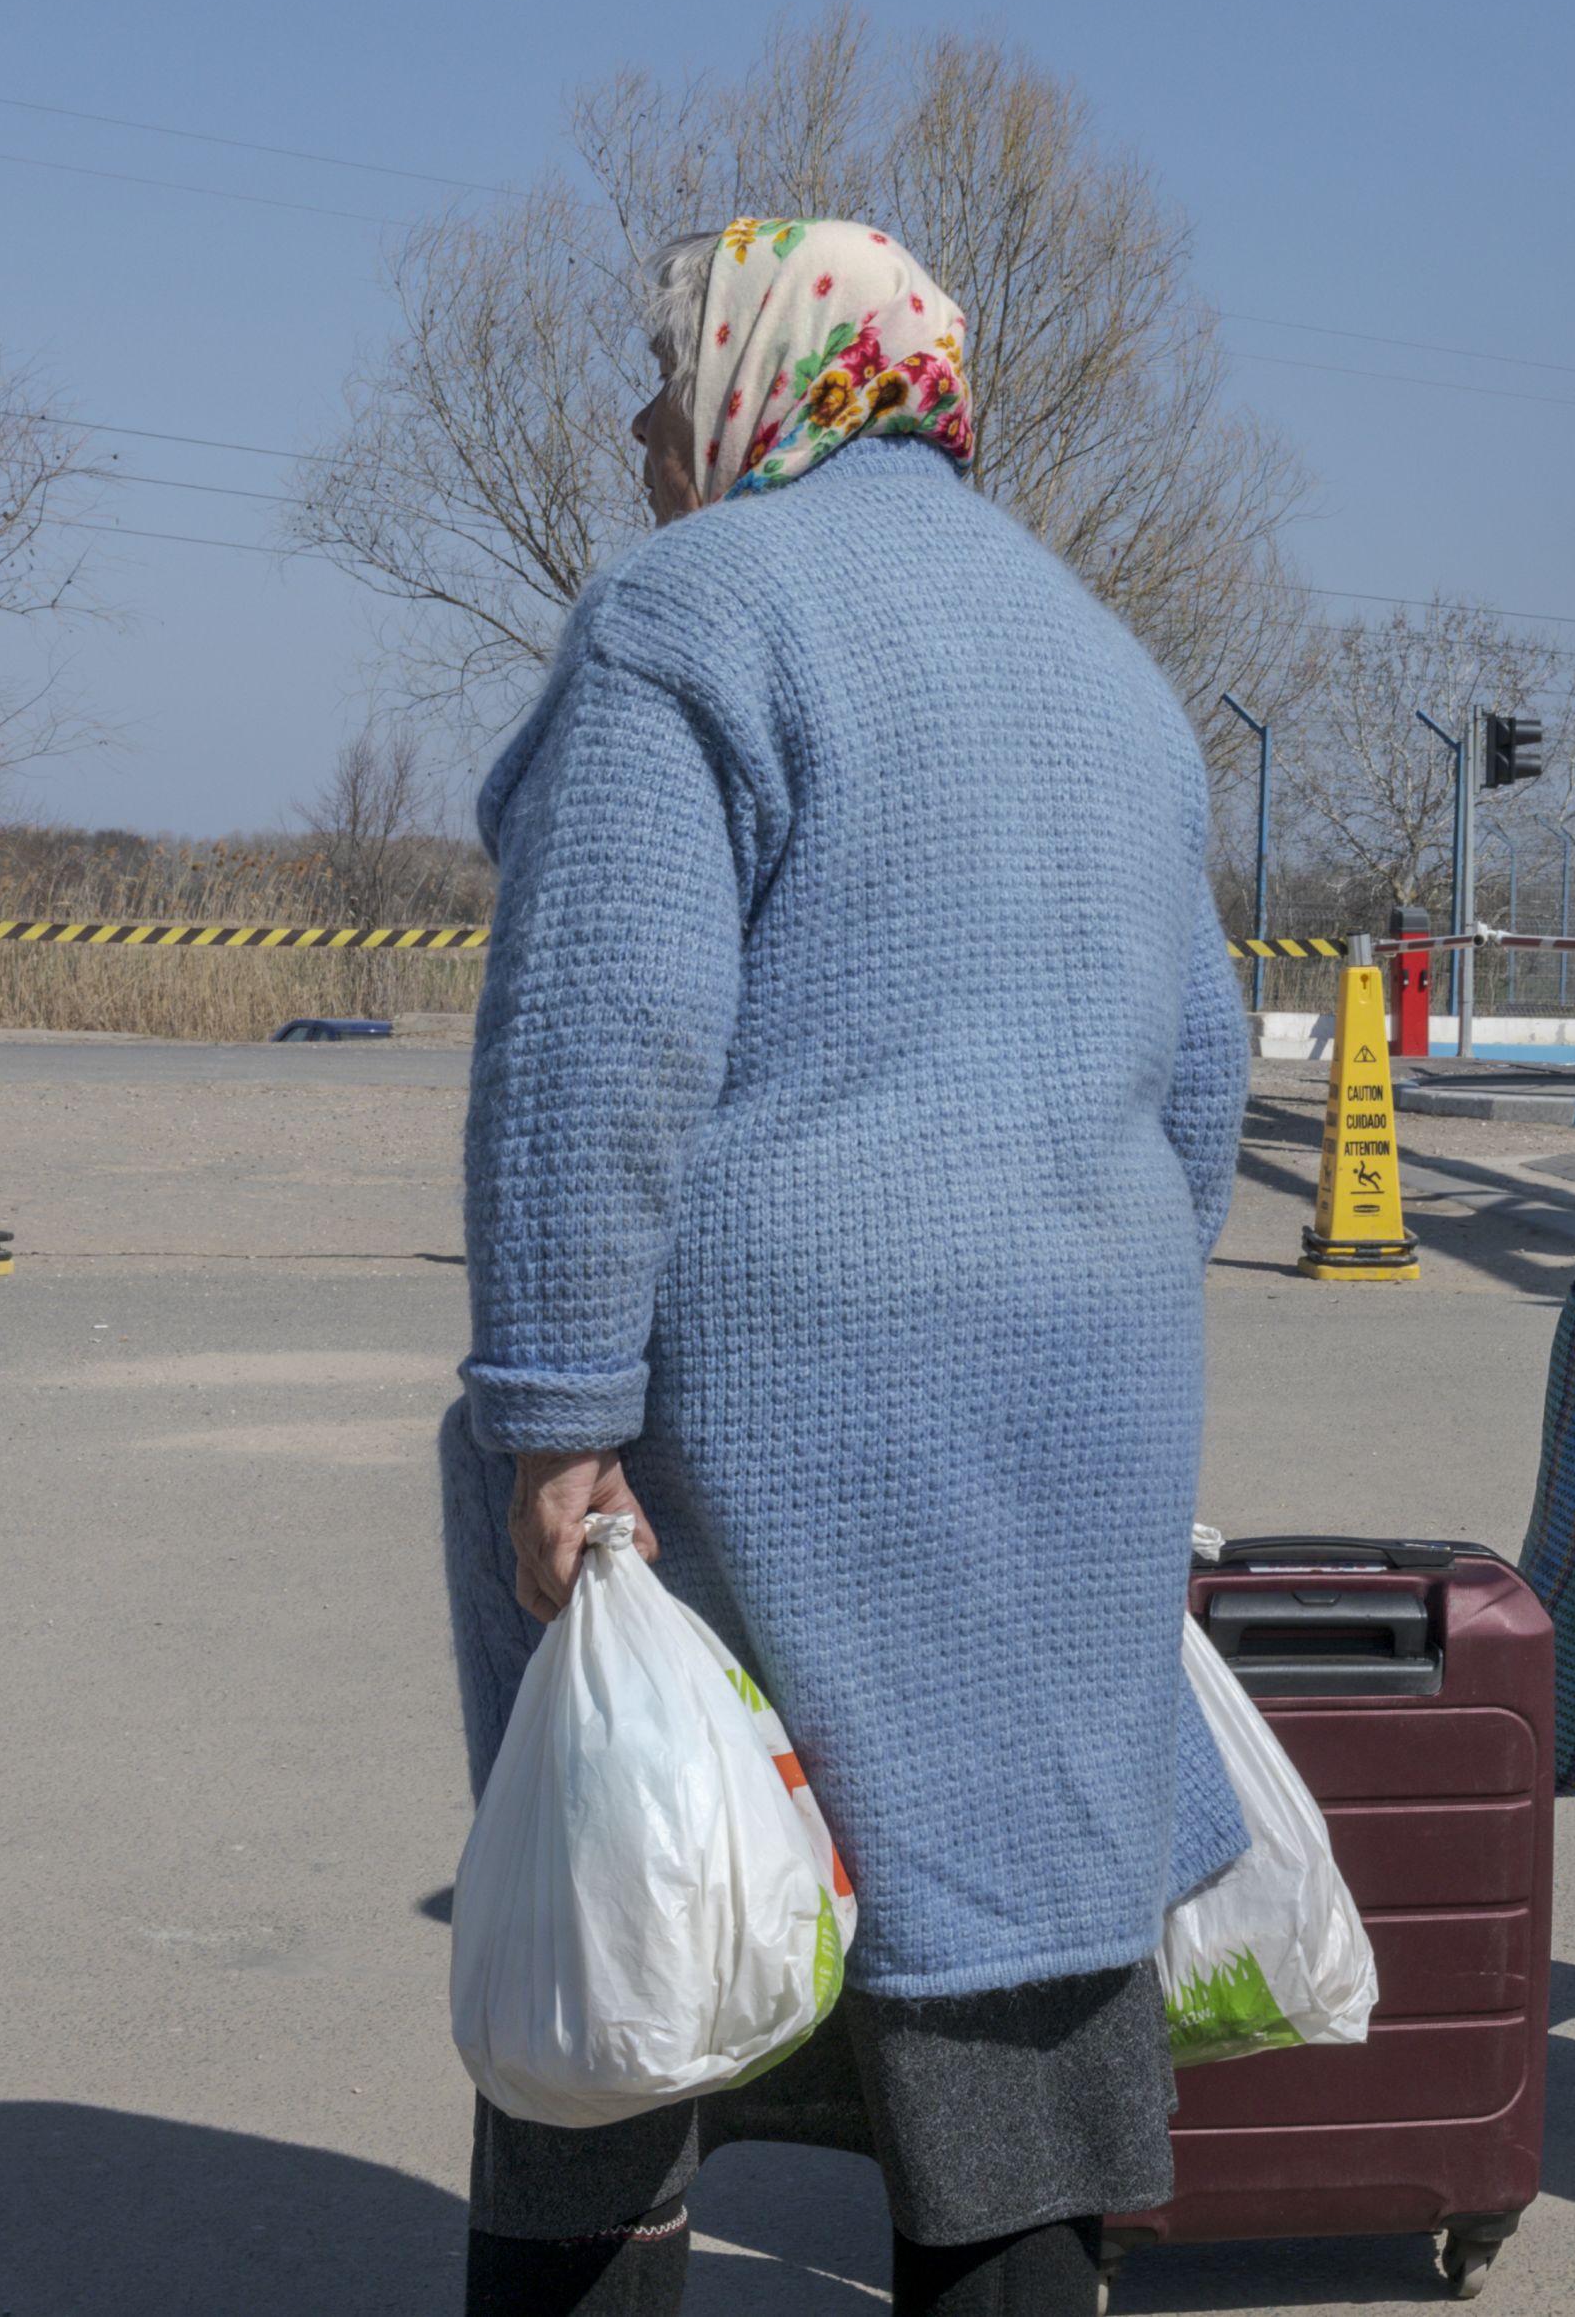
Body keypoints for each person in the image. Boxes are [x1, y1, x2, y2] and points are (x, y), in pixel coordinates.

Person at [436, 219, 1248, 2317]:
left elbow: (590, 1053)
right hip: (1078, 1402)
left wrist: (551, 1417)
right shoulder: (1107, 666)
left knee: (638, 1933)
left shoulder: (684, 616)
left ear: (765, 371)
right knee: (1004, 2009)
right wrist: (1100, 1324)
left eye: (660, 363)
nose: (635, 415)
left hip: (751, 1428)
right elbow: (1203, 1087)